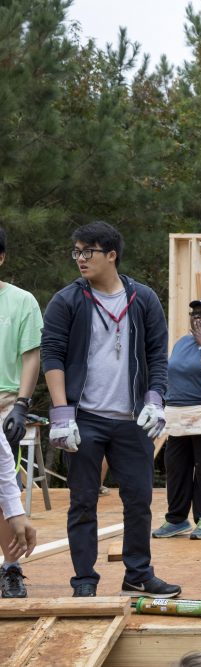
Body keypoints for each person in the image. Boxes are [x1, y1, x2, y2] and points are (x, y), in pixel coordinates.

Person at [40, 221, 179, 598]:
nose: (80, 259)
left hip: (131, 418)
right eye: (77, 252)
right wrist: (61, 412)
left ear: (111, 255)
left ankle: (138, 574)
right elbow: (51, 355)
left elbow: (156, 355)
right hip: (84, 418)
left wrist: (154, 397)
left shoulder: (143, 298)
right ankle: (84, 580)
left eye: (89, 252)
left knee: (139, 499)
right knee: (83, 500)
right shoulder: (67, 300)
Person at [152, 299, 201, 541]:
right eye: (193, 312)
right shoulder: (182, 342)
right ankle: (176, 519)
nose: (197, 317)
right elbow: (172, 372)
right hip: (178, 414)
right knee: (176, 466)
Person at [0, 226, 41, 597]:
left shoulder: (21, 301)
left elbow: (31, 355)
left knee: (4, 486)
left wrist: (21, 404)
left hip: (4, 400)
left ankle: (11, 568)